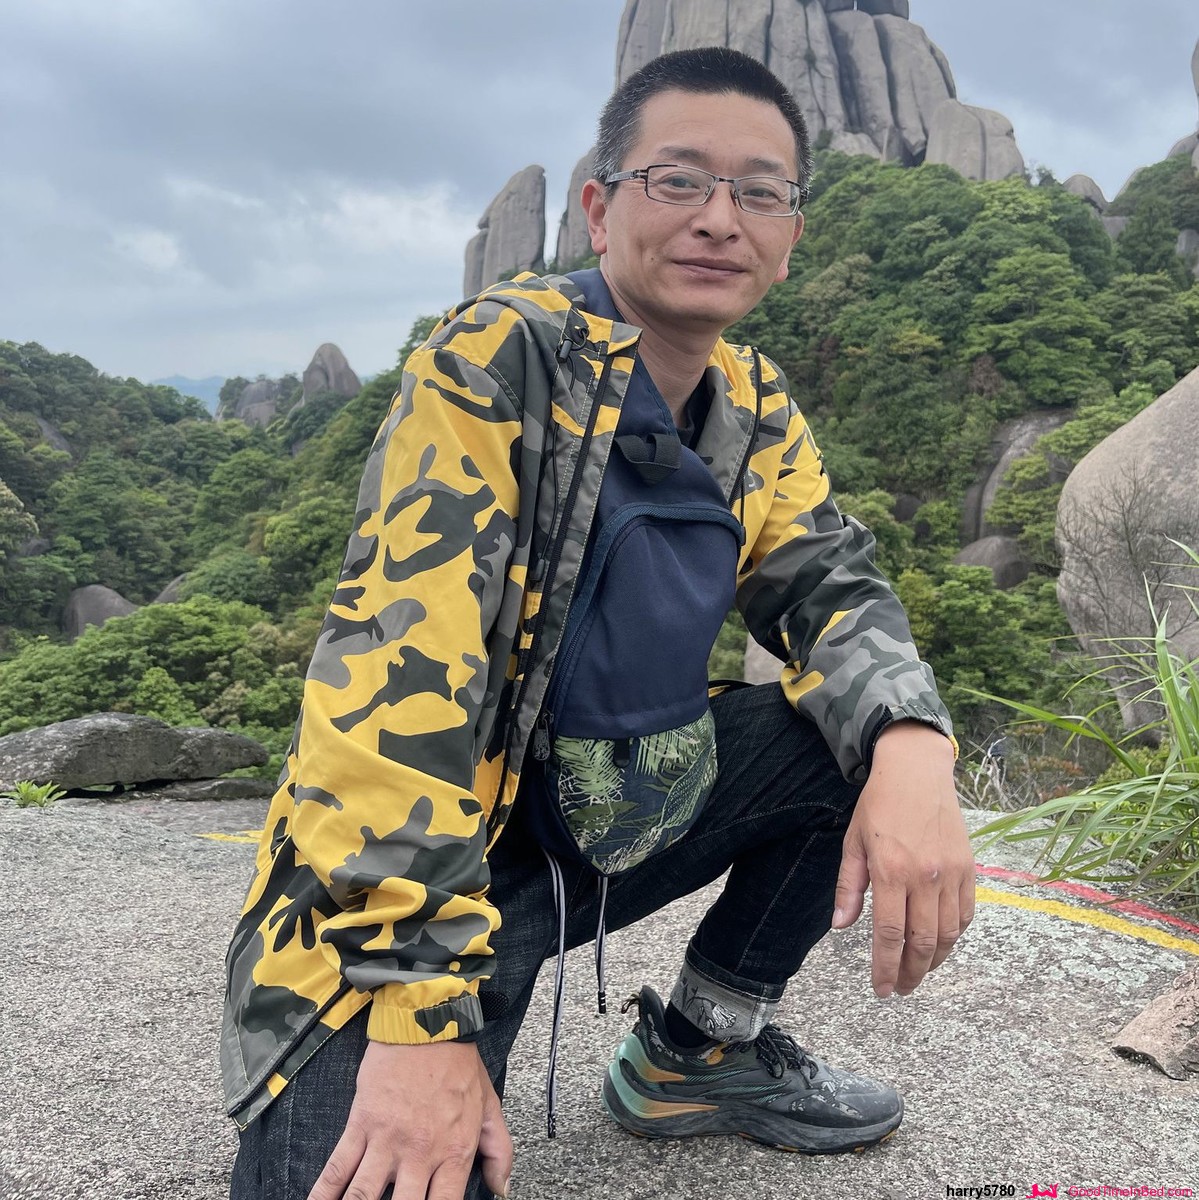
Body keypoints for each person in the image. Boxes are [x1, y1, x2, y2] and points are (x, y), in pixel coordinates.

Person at [223, 46, 976, 1200]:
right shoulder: (501, 357)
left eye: (758, 192)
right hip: (431, 874)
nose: (717, 218)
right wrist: (419, 1016)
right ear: (598, 206)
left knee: (847, 739)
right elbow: (395, 681)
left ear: (789, 234)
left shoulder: (754, 404)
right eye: (677, 180)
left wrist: (915, 743)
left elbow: (831, 584)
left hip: (604, 814)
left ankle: (698, 1052)